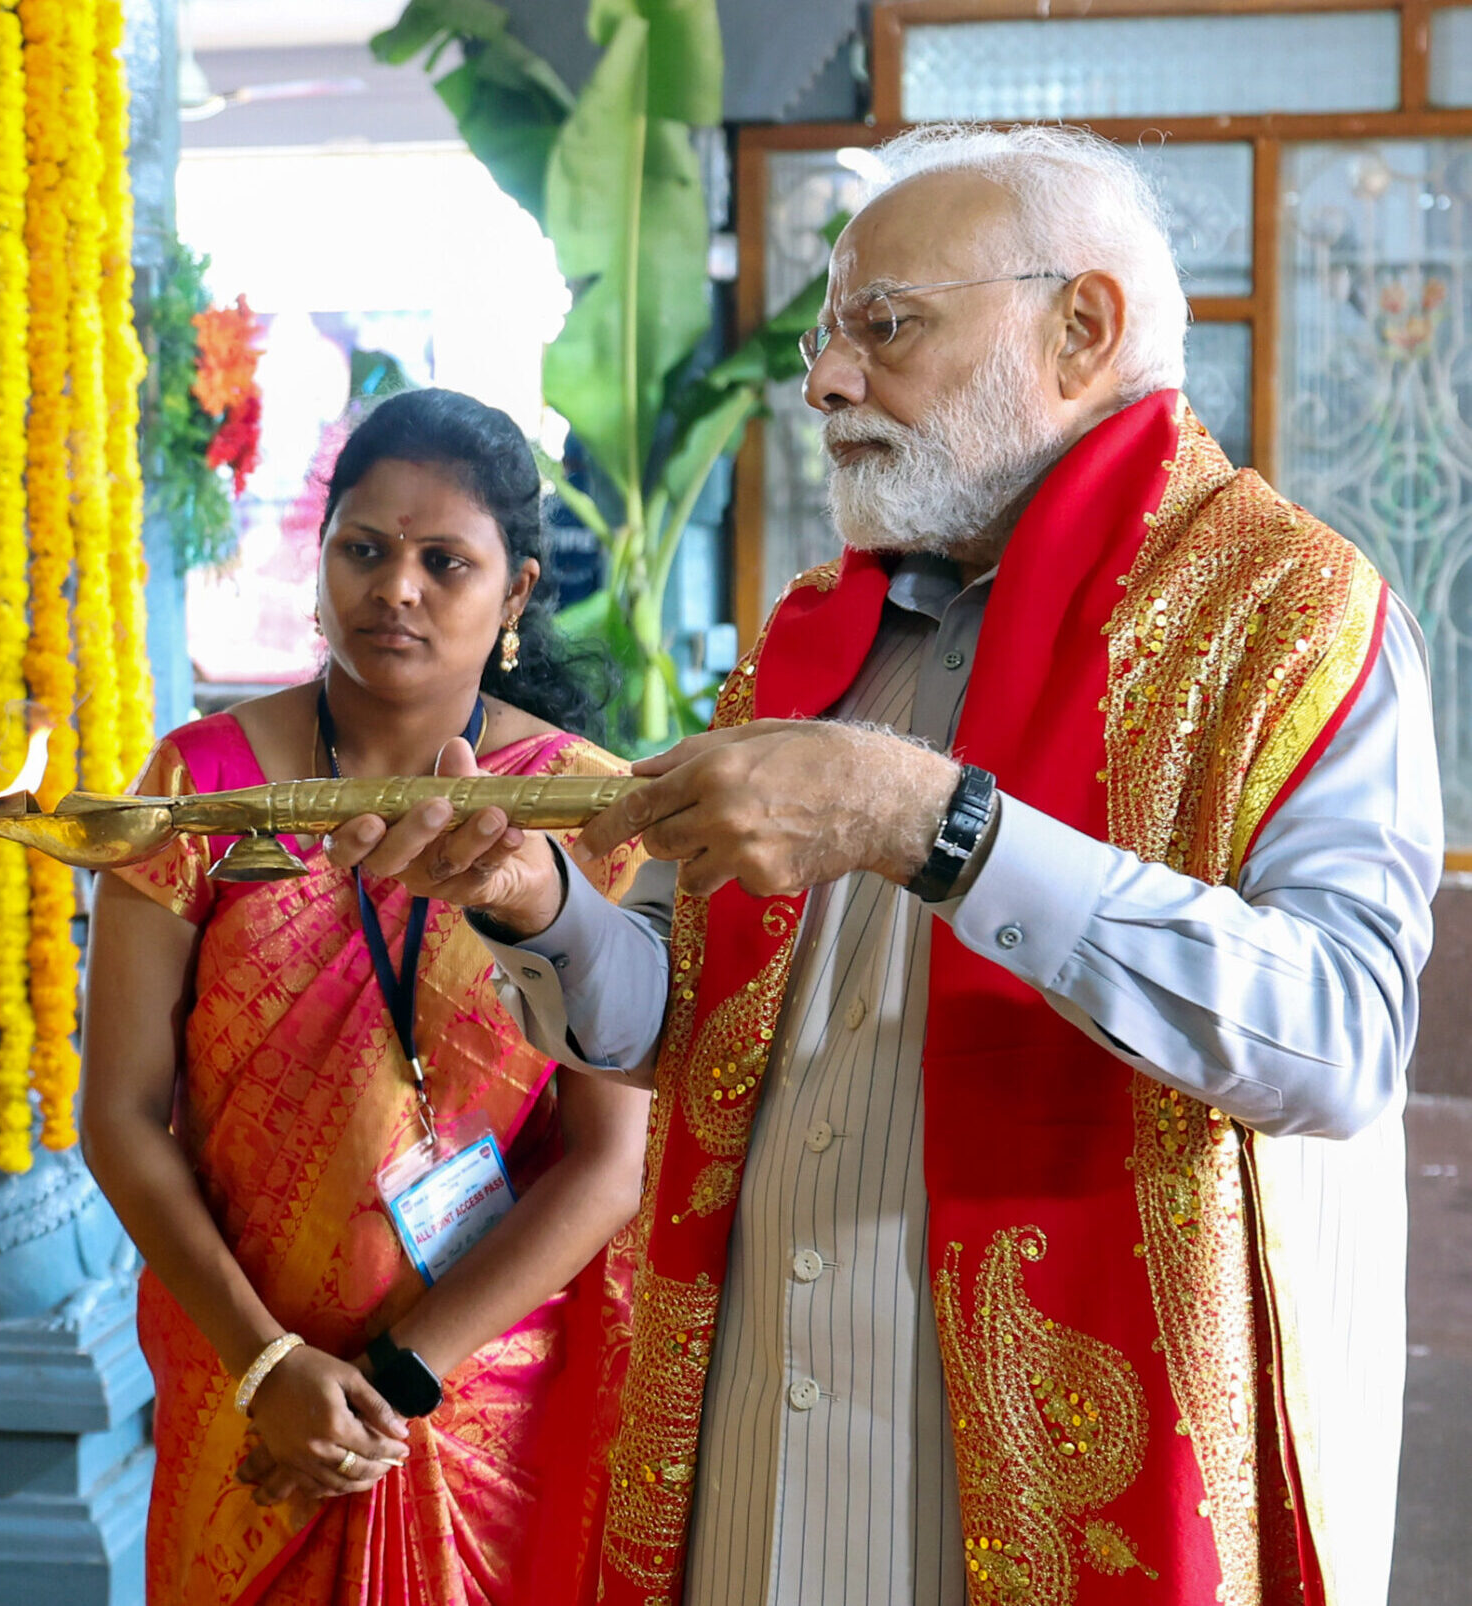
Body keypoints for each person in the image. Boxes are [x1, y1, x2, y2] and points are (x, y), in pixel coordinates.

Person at [331, 127, 1442, 1606]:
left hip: (1017, 1467)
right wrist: (532, 904)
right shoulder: (818, 633)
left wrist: (940, 826)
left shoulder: (1287, 618)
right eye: (825, 336)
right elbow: (667, 1019)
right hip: (754, 1453)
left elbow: (1343, 1035)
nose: (824, 383)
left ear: (1080, 326)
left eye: (884, 326)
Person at [79, 387, 653, 1604]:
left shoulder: (586, 817)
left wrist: (397, 1382)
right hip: (244, 1375)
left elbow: (610, 1161)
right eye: (365, 548)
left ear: (516, 595)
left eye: (445, 561)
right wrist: (267, 1363)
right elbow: (121, 1115)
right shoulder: (201, 793)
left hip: (480, 1396)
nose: (397, 586)